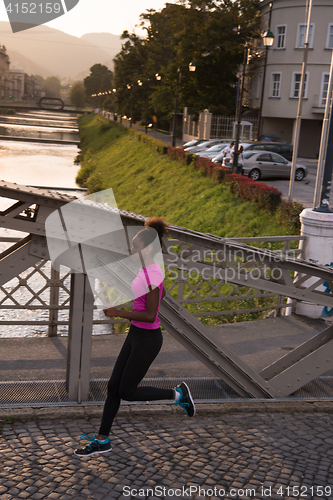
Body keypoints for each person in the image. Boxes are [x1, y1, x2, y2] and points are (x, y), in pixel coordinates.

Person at [74, 217, 195, 457]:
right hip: (136, 335)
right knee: (113, 387)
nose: (131, 249)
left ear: (147, 248)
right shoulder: (147, 269)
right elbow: (160, 294)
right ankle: (102, 440)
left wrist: (119, 312)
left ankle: (179, 394)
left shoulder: (151, 273)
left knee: (127, 391)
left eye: (135, 246)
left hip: (147, 339)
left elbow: (151, 315)